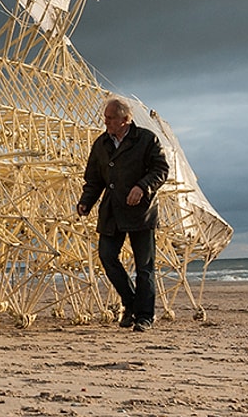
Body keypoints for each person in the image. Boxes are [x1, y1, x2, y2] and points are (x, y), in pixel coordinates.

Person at [77, 96, 169, 332]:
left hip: (141, 211)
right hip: (112, 211)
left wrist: (142, 187)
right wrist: (86, 202)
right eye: (105, 117)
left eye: (111, 118)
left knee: (144, 266)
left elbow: (160, 170)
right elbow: (94, 179)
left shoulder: (147, 140)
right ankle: (131, 303)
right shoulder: (101, 145)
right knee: (107, 256)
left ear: (126, 120)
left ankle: (145, 316)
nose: (106, 121)